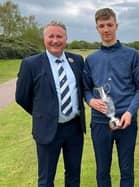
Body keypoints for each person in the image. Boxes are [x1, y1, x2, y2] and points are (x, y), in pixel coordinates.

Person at [83, 8, 139, 187]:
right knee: (102, 170)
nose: (106, 29)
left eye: (109, 25)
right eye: (102, 26)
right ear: (97, 28)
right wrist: (90, 100)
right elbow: (86, 89)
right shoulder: (91, 59)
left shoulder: (132, 55)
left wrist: (130, 112)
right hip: (100, 122)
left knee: (127, 170)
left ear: (116, 26)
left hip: (126, 121)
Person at [15, 21, 86, 187]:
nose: (55, 40)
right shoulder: (31, 64)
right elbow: (22, 97)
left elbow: (81, 90)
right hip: (47, 130)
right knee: (46, 179)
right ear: (44, 39)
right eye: (51, 36)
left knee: (74, 176)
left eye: (59, 36)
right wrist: (43, 113)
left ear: (66, 39)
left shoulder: (77, 60)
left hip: (74, 129)